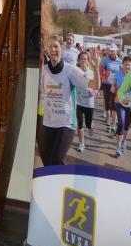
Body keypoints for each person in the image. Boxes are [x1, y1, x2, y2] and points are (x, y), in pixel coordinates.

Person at [38, 36, 99, 166]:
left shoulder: (70, 70)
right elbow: (41, 92)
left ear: (62, 49)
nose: (53, 50)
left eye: (56, 46)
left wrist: (96, 68)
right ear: (47, 50)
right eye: (50, 47)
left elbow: (94, 85)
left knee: (56, 159)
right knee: (46, 159)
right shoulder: (44, 70)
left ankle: (62, 178)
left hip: (66, 122)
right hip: (48, 121)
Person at [75, 51, 99, 152]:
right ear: (78, 60)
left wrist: (94, 92)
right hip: (78, 102)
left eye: (85, 59)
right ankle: (82, 143)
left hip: (89, 103)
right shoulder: (75, 72)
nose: (83, 61)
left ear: (88, 61)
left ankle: (90, 126)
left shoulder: (92, 73)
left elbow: (97, 87)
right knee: (79, 124)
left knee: (88, 124)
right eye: (81, 59)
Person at [113, 55, 131, 156]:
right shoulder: (118, 74)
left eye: (129, 65)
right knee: (121, 123)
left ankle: (124, 141)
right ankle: (118, 147)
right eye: (125, 64)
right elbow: (114, 85)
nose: (127, 66)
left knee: (127, 125)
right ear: (122, 65)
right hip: (119, 102)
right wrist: (113, 87)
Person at [99, 45, 122, 135]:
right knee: (107, 100)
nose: (112, 52)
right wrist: (105, 75)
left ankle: (113, 122)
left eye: (114, 51)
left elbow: (122, 71)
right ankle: (108, 118)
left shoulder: (119, 60)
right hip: (107, 84)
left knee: (114, 102)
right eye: (111, 51)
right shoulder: (105, 60)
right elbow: (101, 70)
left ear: (116, 51)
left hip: (116, 85)